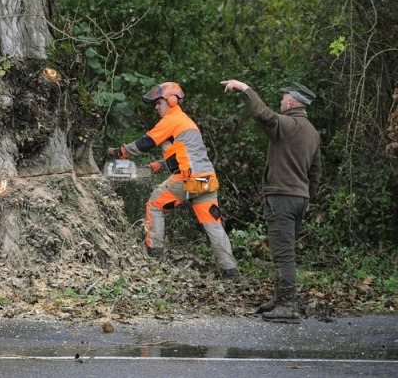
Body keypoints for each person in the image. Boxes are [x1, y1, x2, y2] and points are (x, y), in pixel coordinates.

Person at [107, 82, 238, 278]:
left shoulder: (172, 118)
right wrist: (160, 164)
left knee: (154, 204)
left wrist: (120, 152)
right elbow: (185, 151)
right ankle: (230, 271)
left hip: (190, 178)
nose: (156, 107)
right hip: (207, 179)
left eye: (159, 103)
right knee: (213, 224)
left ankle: (154, 255)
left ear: (171, 100)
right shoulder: (187, 122)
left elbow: (146, 143)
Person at [221, 80, 321, 324]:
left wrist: (245, 90)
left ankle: (288, 305)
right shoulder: (312, 131)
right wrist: (308, 197)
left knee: (283, 255)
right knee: (283, 250)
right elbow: (316, 171)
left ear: (291, 102)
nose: (280, 101)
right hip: (299, 198)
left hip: (283, 198)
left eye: (283, 98)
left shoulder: (288, 124)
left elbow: (263, 115)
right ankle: (279, 299)